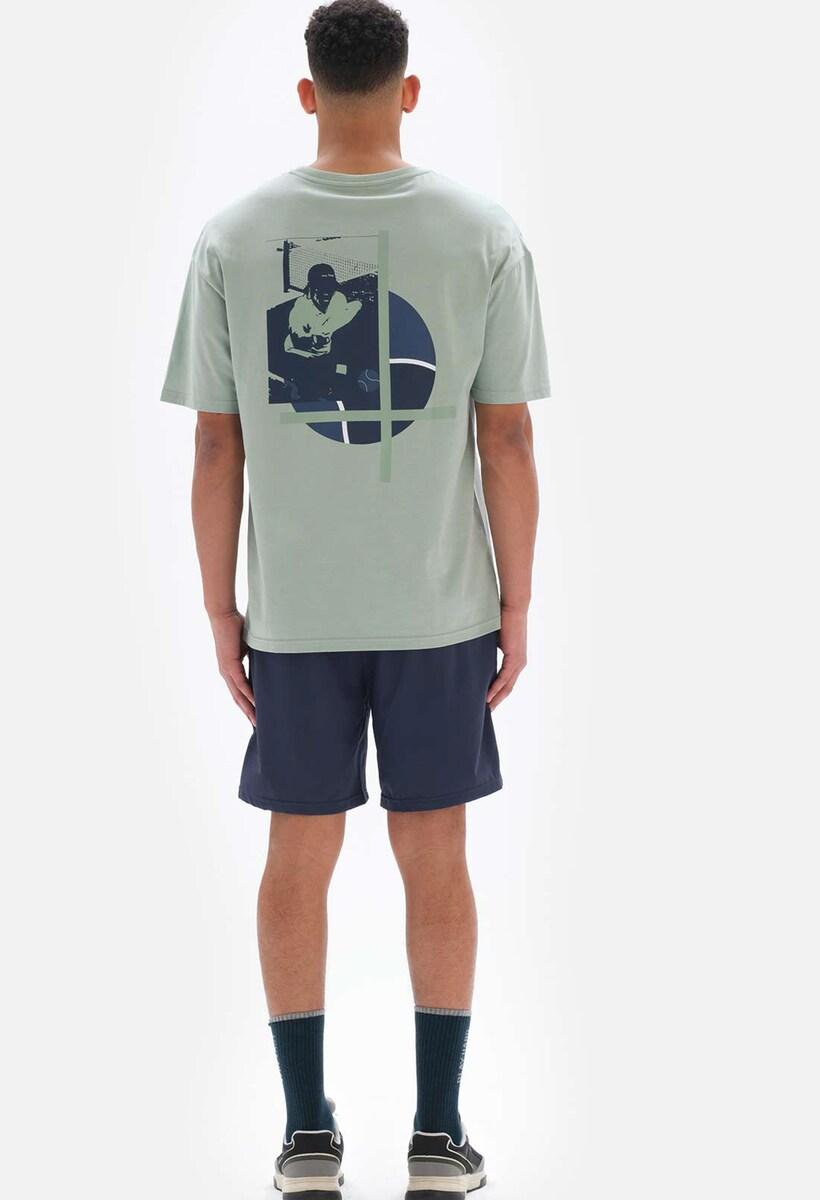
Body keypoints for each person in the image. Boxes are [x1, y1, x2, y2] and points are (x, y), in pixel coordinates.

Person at [160, 1, 549, 1194]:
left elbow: (216, 447)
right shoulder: (482, 234)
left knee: (297, 856)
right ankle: (438, 1134)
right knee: (437, 856)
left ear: (308, 92)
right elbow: (506, 436)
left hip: (297, 617)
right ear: (409, 90)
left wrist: (222, 613)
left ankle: (305, 1139)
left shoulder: (234, 240)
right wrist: (517, 606)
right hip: (441, 610)